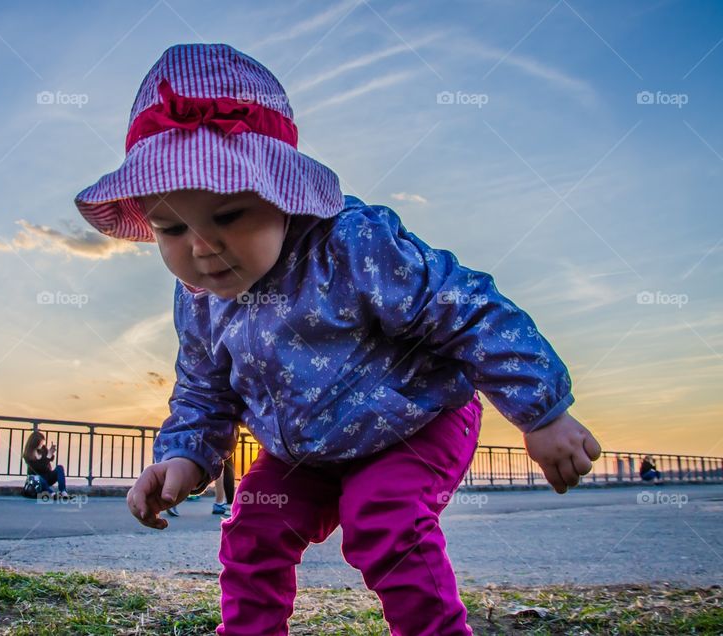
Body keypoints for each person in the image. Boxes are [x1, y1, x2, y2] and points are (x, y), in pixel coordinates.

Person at [75, 43, 602, 636]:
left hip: (414, 420)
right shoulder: (198, 300)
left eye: (229, 216)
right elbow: (203, 390)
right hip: (304, 452)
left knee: (384, 515)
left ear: (283, 193)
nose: (201, 246)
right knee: (253, 527)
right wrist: (183, 456)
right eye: (172, 227)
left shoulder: (350, 245)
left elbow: (460, 305)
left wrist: (542, 410)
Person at [22, 431, 68, 498]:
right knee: (37, 477)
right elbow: (39, 467)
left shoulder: (43, 449)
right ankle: (52, 494)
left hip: (47, 477)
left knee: (59, 467)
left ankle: (63, 491)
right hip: (37, 481)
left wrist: (51, 452)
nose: (42, 444)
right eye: (41, 443)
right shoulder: (28, 455)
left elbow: (50, 458)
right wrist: (48, 456)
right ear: (35, 443)